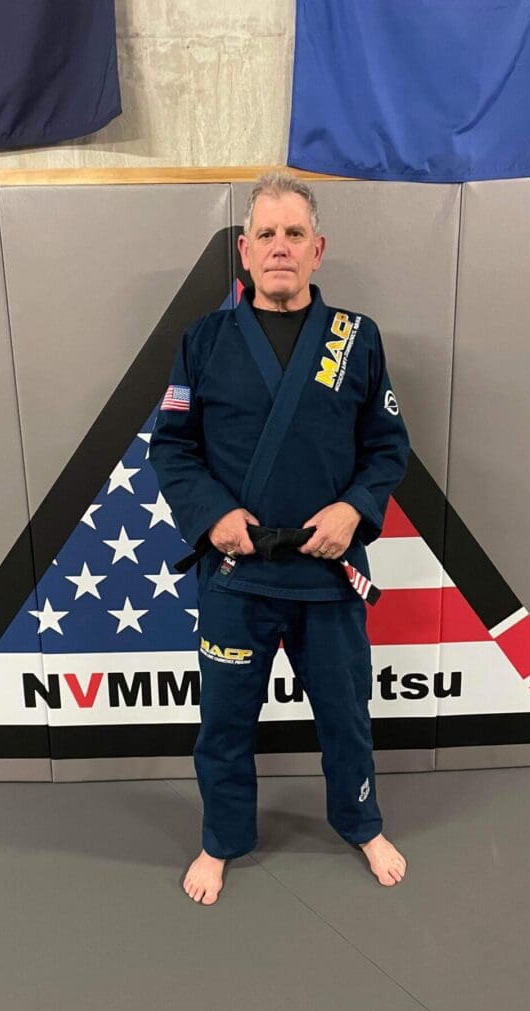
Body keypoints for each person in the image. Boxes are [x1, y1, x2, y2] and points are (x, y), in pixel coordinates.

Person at [150, 171, 410, 905]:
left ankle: (360, 821)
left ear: (317, 249)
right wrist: (213, 518)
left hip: (328, 576)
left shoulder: (357, 339)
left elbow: (387, 447)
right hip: (237, 574)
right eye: (265, 234)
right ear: (243, 249)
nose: (279, 247)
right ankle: (222, 839)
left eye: (294, 234)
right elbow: (172, 446)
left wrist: (355, 511)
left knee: (346, 713)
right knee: (225, 722)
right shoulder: (204, 341)